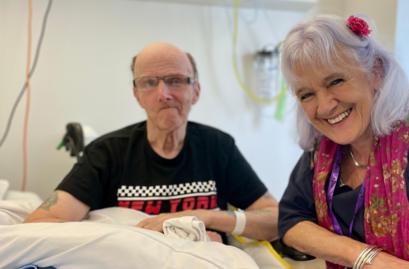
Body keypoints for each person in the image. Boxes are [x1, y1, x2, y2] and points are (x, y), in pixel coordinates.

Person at [278, 14, 409, 269]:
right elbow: (291, 219)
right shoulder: (326, 148)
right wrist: (363, 257)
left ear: (375, 71)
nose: (324, 106)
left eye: (336, 81)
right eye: (307, 95)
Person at [25, 42, 278, 243]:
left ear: (196, 91)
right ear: (137, 94)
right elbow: (40, 225)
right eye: (149, 83)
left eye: (175, 80)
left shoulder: (218, 147)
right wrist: (147, 236)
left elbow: (275, 219)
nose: (163, 94)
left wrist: (203, 217)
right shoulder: (106, 153)